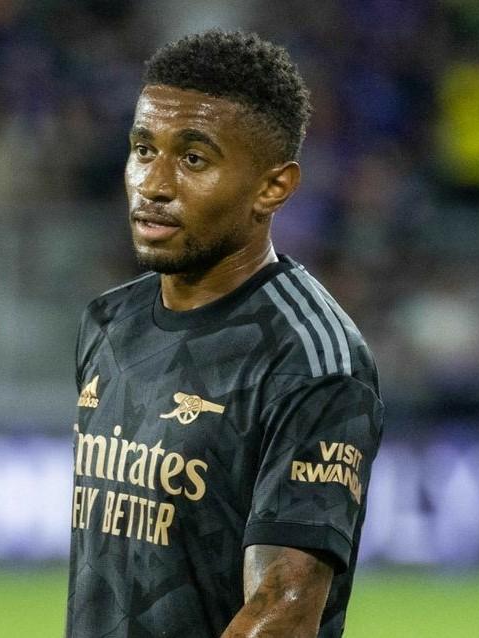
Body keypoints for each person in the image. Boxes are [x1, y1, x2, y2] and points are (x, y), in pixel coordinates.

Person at [66, 30, 383, 638]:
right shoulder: (108, 322)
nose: (153, 184)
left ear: (273, 187)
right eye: (142, 149)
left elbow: (286, 604)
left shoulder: (311, 358)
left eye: (193, 159)